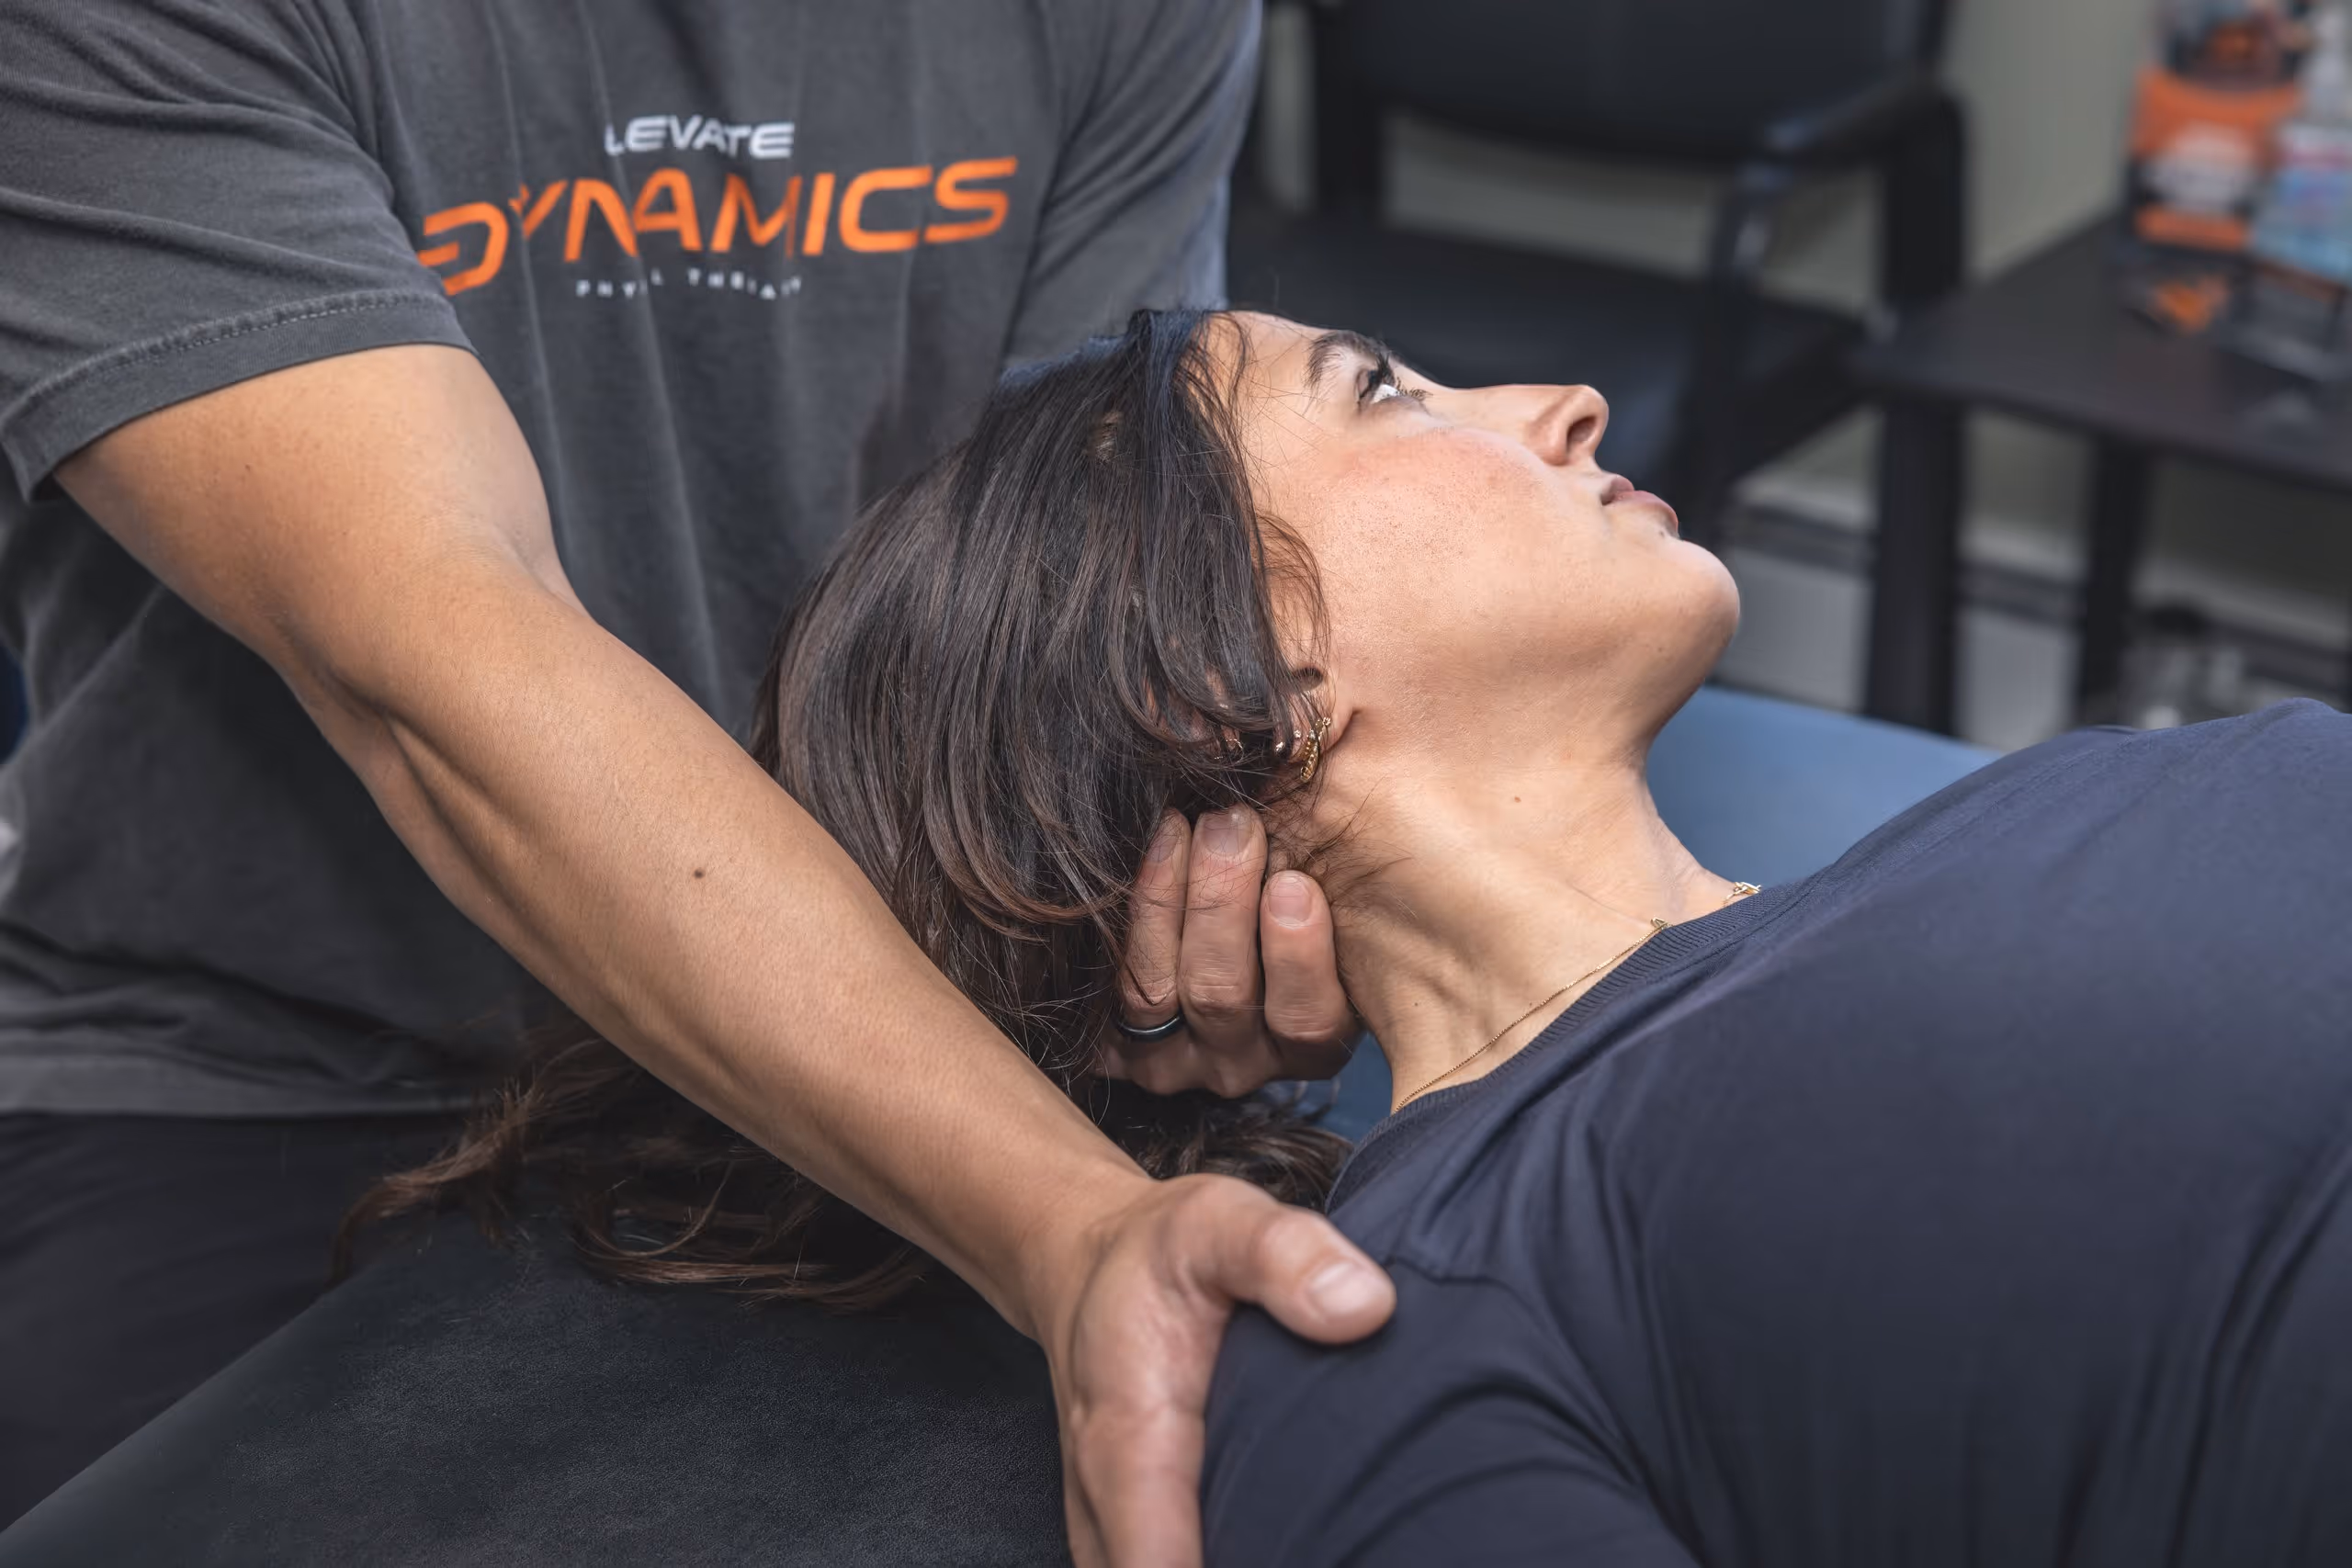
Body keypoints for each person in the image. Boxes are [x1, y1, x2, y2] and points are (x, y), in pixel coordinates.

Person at [323, 305, 2346, 1563]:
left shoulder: (2059, 791)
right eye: (1385, 388)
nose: (1565, 398)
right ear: (1219, 677)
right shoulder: (1388, 1317)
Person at [0, 4, 1397, 1555]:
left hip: (934, 1018)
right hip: (252, 1057)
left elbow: (1098, 571)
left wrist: (1171, 919)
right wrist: (1076, 1225)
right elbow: (433, 646)